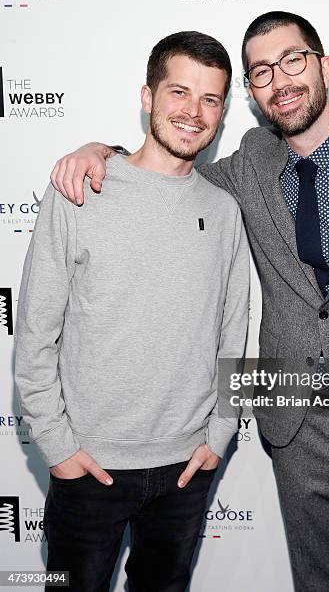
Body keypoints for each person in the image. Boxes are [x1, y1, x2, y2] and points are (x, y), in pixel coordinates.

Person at [49, 11, 329, 592]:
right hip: (296, 424)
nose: (281, 80)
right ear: (251, 93)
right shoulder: (248, 166)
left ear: (323, 66)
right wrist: (100, 150)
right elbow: (169, 169)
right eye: (262, 72)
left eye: (293, 60)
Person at [14, 31, 249, 592]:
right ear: (147, 97)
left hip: (186, 471)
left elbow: (233, 336)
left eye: (210, 99)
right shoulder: (80, 189)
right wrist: (60, 448)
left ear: (222, 112)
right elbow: (35, 334)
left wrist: (218, 437)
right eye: (179, 92)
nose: (193, 113)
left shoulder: (222, 211)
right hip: (89, 466)